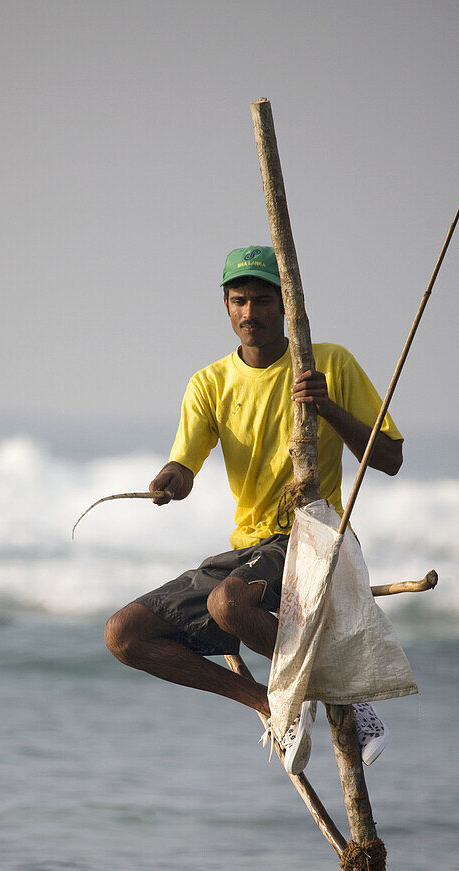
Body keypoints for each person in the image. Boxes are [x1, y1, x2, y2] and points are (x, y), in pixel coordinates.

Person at [105, 246, 403, 775]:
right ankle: (272, 704)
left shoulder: (328, 362)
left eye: (263, 300)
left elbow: (390, 458)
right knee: (124, 635)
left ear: (284, 304)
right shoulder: (208, 383)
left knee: (228, 604)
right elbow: (185, 465)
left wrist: (327, 407)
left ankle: (346, 693)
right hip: (251, 549)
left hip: (314, 535)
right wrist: (170, 481)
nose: (251, 313)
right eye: (240, 300)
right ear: (225, 306)